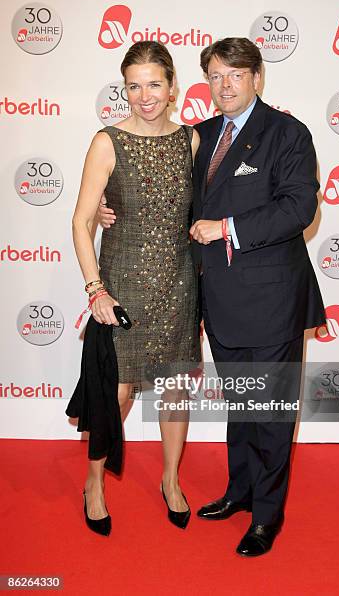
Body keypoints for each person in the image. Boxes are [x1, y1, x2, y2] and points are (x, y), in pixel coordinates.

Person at [99, 37, 325, 556]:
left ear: (257, 78)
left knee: (270, 410)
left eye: (235, 75)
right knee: (242, 406)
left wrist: (226, 228)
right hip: (218, 302)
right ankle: (240, 492)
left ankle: (267, 516)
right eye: (216, 76)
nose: (225, 85)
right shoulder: (197, 137)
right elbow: (162, 197)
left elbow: (298, 210)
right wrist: (114, 212)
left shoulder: (287, 133)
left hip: (272, 302)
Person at [69, 40, 201, 535]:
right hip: (121, 283)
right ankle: (94, 482)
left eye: (154, 84)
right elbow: (82, 222)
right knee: (118, 392)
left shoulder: (190, 141)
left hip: (179, 283)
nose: (144, 96)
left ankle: (170, 480)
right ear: (123, 88)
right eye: (133, 85)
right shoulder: (108, 141)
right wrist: (95, 290)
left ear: (172, 88)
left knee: (175, 390)